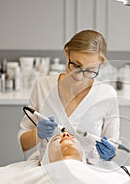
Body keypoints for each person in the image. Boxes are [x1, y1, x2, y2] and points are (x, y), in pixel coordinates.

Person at [18, 29, 119, 163]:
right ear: (67, 52)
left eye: (90, 70)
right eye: (76, 65)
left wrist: (110, 153)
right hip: (46, 171)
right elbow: (24, 144)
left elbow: (113, 148)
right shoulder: (43, 86)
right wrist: (37, 134)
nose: (79, 76)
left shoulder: (106, 95)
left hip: (88, 173)